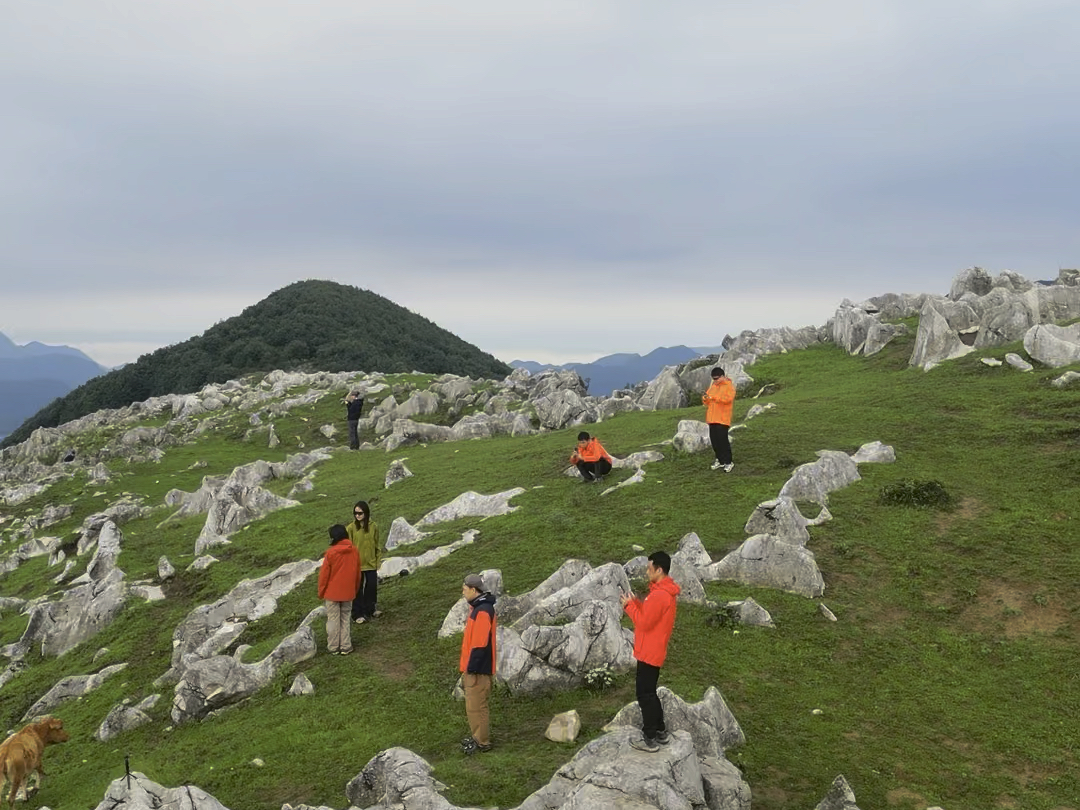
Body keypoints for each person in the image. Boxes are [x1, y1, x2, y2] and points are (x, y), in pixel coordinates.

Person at [620, 550, 680, 753]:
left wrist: (629, 607)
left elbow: (643, 623)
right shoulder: (664, 593)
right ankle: (660, 730)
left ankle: (650, 736)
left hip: (649, 651)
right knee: (650, 692)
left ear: (659, 570)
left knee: (644, 694)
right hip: (654, 650)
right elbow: (649, 615)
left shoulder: (659, 595)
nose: (647, 572)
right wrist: (636, 602)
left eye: (649, 568)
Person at [459, 572, 497, 755]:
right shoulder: (479, 608)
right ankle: (477, 737)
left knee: (477, 706)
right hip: (475, 667)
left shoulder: (482, 611)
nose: (463, 593)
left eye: (465, 589)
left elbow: (480, 643)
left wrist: (471, 668)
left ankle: (482, 741)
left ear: (474, 590)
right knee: (473, 706)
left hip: (478, 669)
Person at [317, 524, 361, 655]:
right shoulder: (354, 551)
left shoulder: (330, 553)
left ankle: (333, 646)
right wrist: (355, 589)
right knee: (345, 618)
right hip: (348, 592)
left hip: (332, 593)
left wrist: (321, 592)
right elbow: (358, 573)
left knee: (333, 619)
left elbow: (324, 575)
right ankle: (346, 646)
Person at [348, 501, 383, 624]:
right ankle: (357, 614)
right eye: (355, 513)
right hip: (357, 565)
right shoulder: (351, 528)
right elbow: (348, 547)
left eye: (360, 513)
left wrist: (378, 560)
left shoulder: (374, 526)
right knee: (358, 589)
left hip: (371, 563)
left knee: (371, 587)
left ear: (366, 513)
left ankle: (371, 609)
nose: (357, 516)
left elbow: (376, 544)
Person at [702, 366, 735, 472]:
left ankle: (728, 462)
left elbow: (728, 399)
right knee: (714, 441)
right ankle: (720, 460)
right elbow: (707, 400)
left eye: (717, 378)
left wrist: (713, 398)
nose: (715, 381)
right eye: (713, 379)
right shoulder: (713, 386)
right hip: (712, 418)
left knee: (723, 440)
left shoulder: (729, 386)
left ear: (722, 376)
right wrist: (705, 398)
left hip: (723, 418)